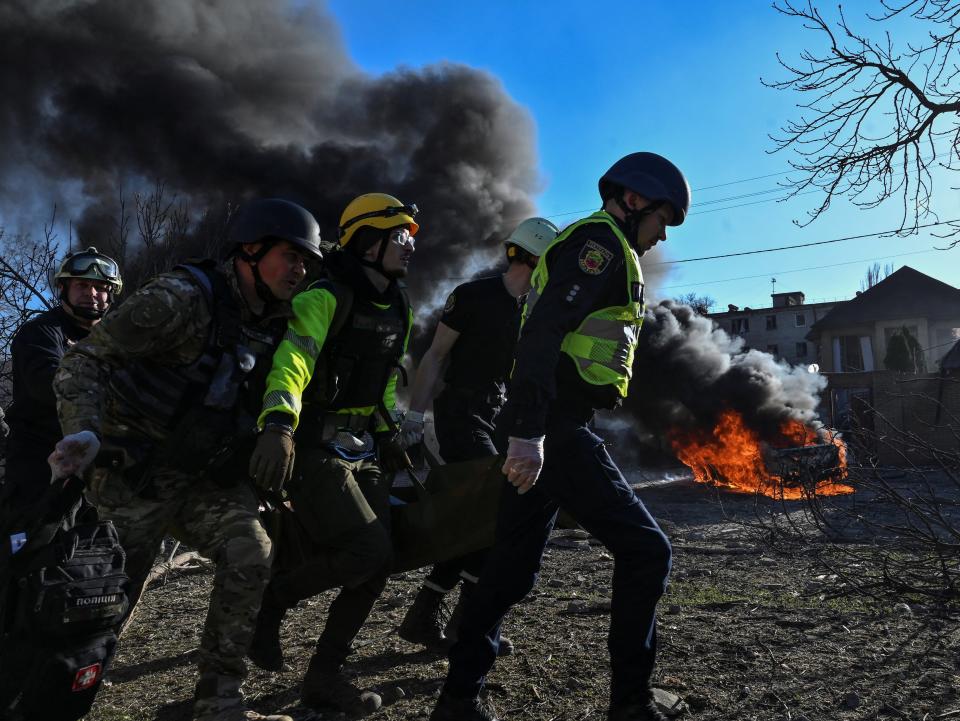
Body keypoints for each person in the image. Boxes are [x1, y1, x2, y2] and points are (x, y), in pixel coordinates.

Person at [429, 152, 691, 721]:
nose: (661, 235)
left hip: (550, 424)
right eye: (662, 220)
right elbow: (544, 333)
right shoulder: (597, 247)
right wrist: (528, 434)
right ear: (636, 200)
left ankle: (456, 700)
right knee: (647, 550)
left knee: (509, 570)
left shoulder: (600, 246)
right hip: (552, 426)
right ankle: (630, 704)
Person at [51, 198, 323, 721]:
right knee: (99, 605)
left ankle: (217, 701)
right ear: (251, 249)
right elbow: (84, 359)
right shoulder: (181, 299)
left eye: (305, 261)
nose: (300, 270)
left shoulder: (278, 322)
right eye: (291, 256)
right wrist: (82, 432)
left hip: (199, 477)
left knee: (250, 550)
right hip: (129, 473)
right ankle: (46, 698)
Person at [246, 193, 417, 716]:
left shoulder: (400, 305)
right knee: (366, 550)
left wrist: (388, 434)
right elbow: (293, 361)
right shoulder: (325, 296)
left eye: (411, 238)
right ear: (366, 240)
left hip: (361, 449)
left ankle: (322, 677)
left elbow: (386, 379)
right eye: (399, 237)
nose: (409, 247)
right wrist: (278, 424)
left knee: (378, 564)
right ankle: (271, 601)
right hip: (312, 446)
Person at [397, 217, 558, 655]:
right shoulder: (472, 296)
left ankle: (428, 614)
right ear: (533, 257)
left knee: (477, 518)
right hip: (461, 413)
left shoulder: (535, 311)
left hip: (498, 415)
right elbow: (435, 356)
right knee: (493, 509)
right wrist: (414, 416)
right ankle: (464, 624)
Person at [2, 247, 122, 513]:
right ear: (63, 288)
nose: (91, 294)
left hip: (100, 461)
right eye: (81, 285)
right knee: (35, 545)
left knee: (100, 546)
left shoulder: (119, 340)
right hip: (40, 461)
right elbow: (47, 383)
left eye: (100, 287)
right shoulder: (41, 333)